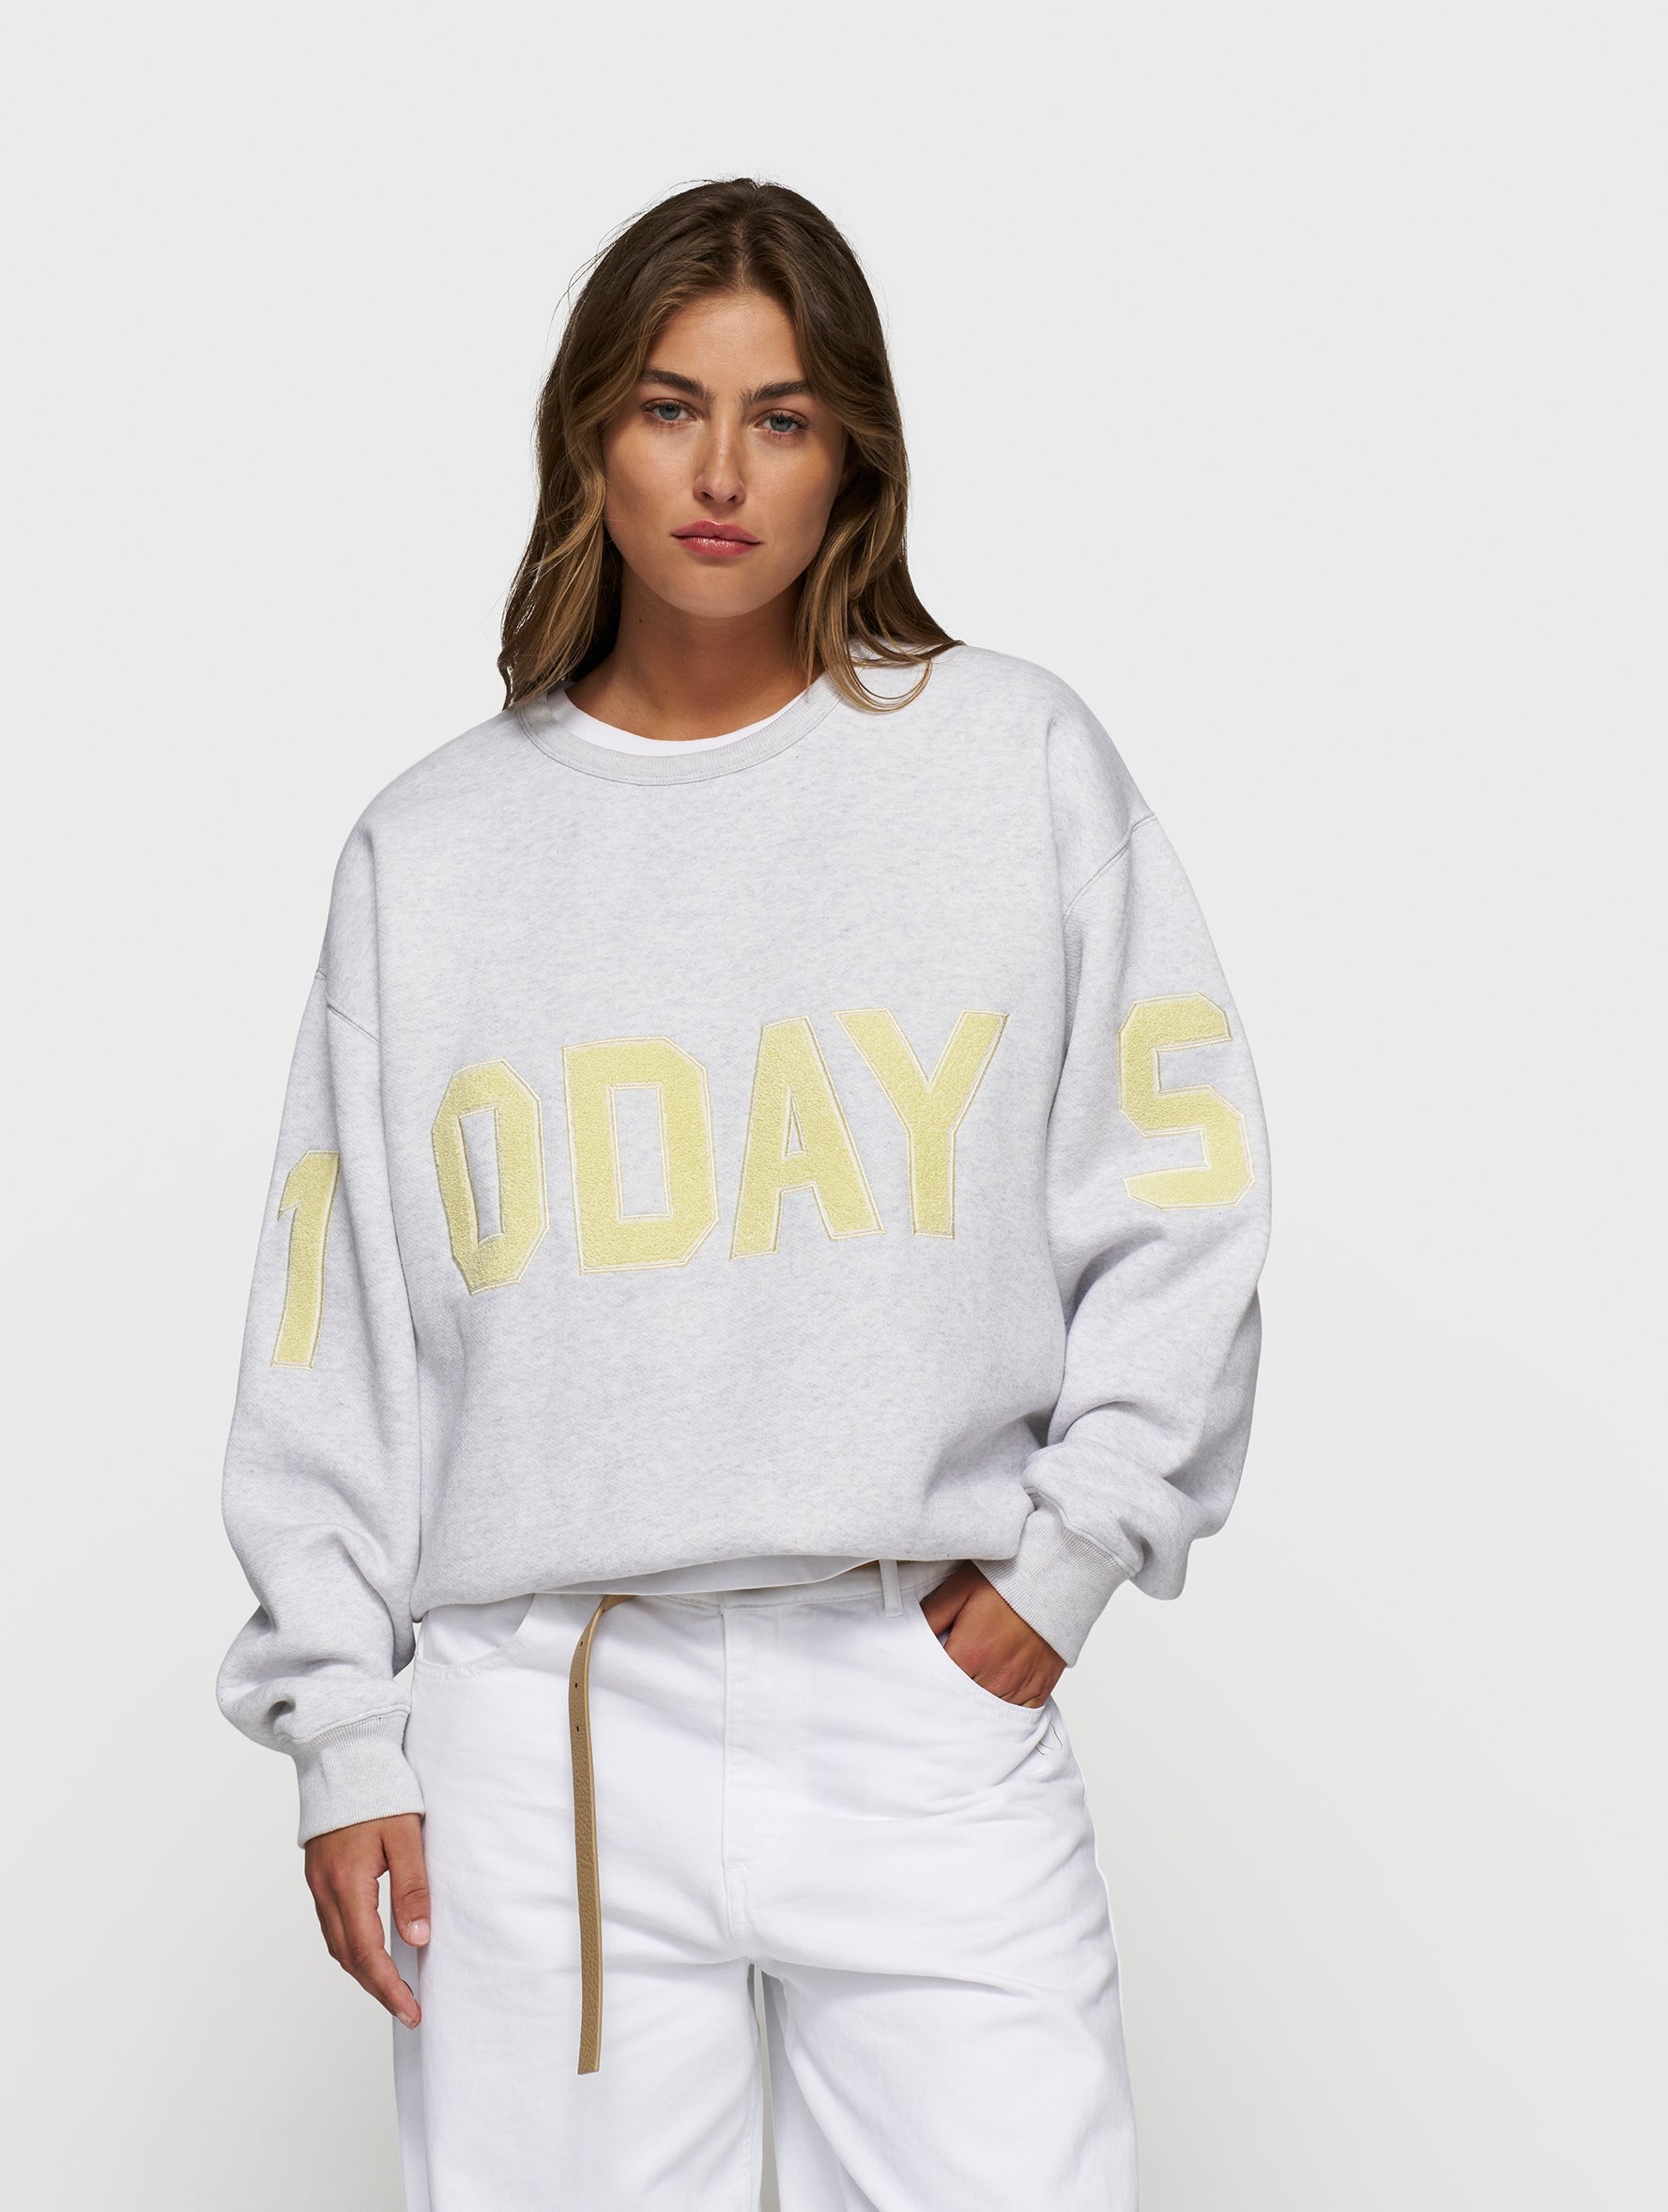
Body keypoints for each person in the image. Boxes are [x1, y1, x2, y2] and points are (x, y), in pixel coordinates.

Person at [216, 177, 1270, 2211]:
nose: (720, 473)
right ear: (588, 437)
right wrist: (344, 1736)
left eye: (779, 416)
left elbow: (1183, 1190)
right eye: (668, 407)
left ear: (850, 448)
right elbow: (332, 1334)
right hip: (544, 1724)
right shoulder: (433, 851)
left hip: (915, 1689)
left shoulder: (1010, 761)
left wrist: (1067, 1567)